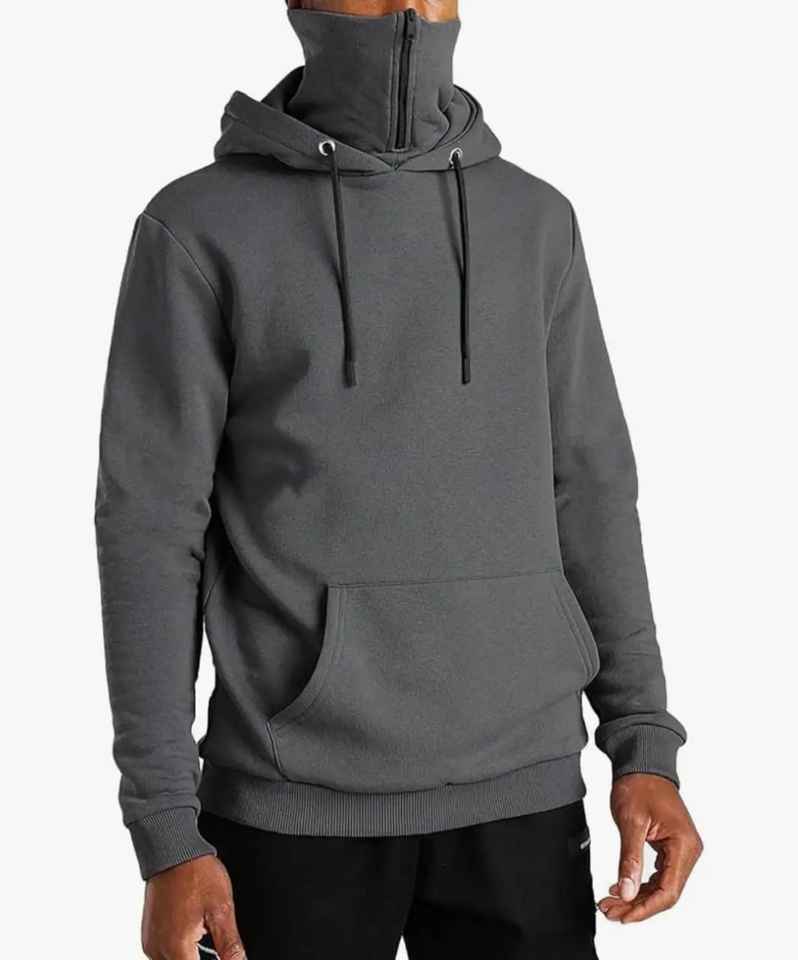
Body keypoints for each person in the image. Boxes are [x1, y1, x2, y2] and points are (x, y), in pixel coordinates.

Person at [96, 1, 702, 957]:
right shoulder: (199, 226)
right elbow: (149, 530)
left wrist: (643, 742)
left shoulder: (533, 219)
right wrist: (167, 830)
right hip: (292, 804)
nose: (409, 6)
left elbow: (590, 490)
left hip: (525, 792)